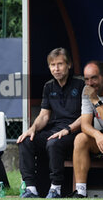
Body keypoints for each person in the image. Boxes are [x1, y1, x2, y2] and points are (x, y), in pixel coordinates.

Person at [17, 48, 85, 198]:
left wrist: (68, 129)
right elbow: (44, 116)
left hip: (75, 132)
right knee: (26, 141)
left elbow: (86, 116)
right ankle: (30, 189)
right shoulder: (48, 86)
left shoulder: (81, 84)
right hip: (55, 129)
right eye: (52, 65)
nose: (56, 68)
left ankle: (55, 188)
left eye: (60, 64)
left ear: (69, 65)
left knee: (53, 143)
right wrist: (32, 129)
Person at [69, 61, 103, 198]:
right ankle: (80, 191)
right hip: (100, 138)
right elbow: (85, 124)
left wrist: (95, 100)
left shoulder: (92, 95)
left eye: (94, 78)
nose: (90, 83)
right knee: (81, 138)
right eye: (86, 79)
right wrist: (97, 134)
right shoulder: (86, 90)